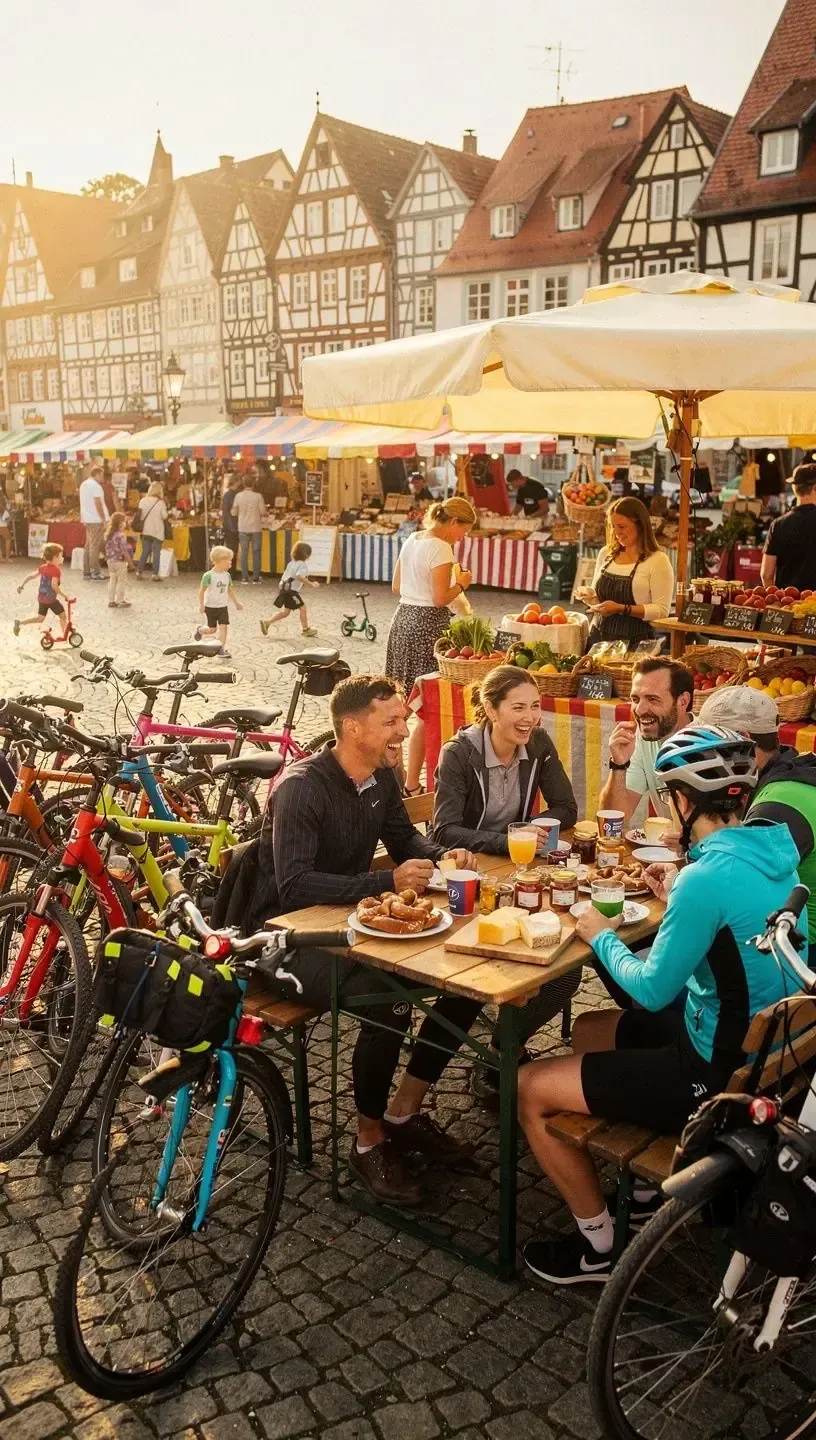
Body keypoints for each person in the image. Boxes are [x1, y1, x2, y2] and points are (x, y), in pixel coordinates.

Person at [518, 724, 802, 1285]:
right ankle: (644, 1193)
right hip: (756, 1055)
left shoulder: (704, 877)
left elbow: (650, 991)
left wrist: (597, 931)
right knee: (593, 1030)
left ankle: (599, 1248)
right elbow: (731, 936)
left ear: (684, 799)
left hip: (712, 1078)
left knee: (528, 1086)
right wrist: (676, 898)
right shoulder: (775, 856)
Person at [212, 674, 481, 1208]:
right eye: (392, 722)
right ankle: (368, 1141)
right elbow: (294, 887)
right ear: (352, 727)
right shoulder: (301, 787)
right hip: (281, 940)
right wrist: (387, 881)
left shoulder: (380, 778)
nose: (404, 733)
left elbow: (403, 838)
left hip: (352, 927)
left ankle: (402, 1114)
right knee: (390, 1002)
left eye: (403, 720)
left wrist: (439, 856)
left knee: (464, 982)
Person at [433, 663, 580, 1099]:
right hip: (462, 881)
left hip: (515, 875)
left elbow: (567, 807)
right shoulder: (459, 753)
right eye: (518, 707)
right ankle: (492, 1047)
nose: (530, 717)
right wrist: (511, 838)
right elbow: (443, 830)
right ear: (490, 709)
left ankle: (501, 1048)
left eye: (535, 706)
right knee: (508, 970)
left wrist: (535, 825)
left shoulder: (536, 744)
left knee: (565, 973)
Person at [699, 684, 816, 965]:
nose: (700, 753)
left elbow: (738, 888)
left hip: (799, 953)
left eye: (706, 742)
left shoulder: (780, 803)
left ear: (743, 740)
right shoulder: (792, 772)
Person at [386, 496, 476, 795]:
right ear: (453, 523)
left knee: (399, 707)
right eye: (463, 531)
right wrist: (462, 582)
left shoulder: (413, 538)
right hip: (427, 624)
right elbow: (440, 598)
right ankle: (411, 784)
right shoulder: (440, 546)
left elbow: (396, 585)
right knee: (426, 705)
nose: (463, 537)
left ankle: (394, 780)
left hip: (402, 619)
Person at [598, 656, 694, 825]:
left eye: (652, 699)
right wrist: (619, 765)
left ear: (683, 701)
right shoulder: (642, 740)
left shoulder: (709, 743)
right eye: (635, 699)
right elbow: (613, 817)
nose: (640, 709)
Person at [582, 496, 674, 649]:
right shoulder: (606, 553)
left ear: (640, 524)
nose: (616, 533)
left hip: (636, 644)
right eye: (612, 526)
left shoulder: (658, 561)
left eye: (622, 527)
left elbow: (661, 610)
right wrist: (590, 596)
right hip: (598, 640)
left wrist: (620, 608)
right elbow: (597, 597)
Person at [761, 461, 816, 593]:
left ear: (794, 488)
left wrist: (778, 601)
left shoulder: (778, 524)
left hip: (788, 606)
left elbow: (766, 575)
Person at [260, 541, 319, 638]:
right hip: (291, 592)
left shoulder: (291, 563)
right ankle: (306, 629)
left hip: (284, 589)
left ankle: (267, 622)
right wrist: (311, 584)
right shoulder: (302, 565)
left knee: (285, 612)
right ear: (307, 554)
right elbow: (299, 576)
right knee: (303, 608)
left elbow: (286, 575)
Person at [13, 542, 72, 639]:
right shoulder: (56, 570)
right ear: (55, 558)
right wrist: (64, 595)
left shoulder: (43, 567)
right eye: (61, 556)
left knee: (40, 618)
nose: (63, 558)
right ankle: (65, 635)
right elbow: (54, 586)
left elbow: (32, 576)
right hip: (51, 600)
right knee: (63, 616)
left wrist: (22, 585)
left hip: (42, 598)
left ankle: (19, 623)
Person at [195, 544, 243, 658]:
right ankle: (201, 630)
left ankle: (220, 649)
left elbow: (229, 590)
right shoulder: (208, 576)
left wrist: (237, 602)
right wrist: (201, 605)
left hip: (222, 607)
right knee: (212, 629)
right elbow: (201, 591)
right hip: (211, 607)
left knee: (223, 627)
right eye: (228, 561)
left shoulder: (227, 575)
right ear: (220, 561)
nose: (231, 563)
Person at [233, 476, 266, 584]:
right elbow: (262, 512)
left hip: (242, 527)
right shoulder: (258, 496)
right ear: (253, 484)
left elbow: (234, 512)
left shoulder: (238, 496)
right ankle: (256, 578)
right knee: (256, 552)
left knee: (244, 553)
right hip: (255, 527)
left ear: (243, 483)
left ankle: (244, 577)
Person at [79, 464, 109, 581]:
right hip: (96, 519)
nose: (103, 478)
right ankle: (95, 571)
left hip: (87, 518)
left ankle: (87, 571)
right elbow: (98, 503)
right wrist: (103, 519)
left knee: (88, 545)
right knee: (94, 546)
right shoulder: (96, 486)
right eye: (102, 475)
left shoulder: (83, 484)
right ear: (97, 474)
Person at [136, 481, 168, 582]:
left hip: (146, 530)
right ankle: (154, 574)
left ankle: (139, 572)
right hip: (157, 531)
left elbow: (140, 516)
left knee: (145, 551)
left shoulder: (143, 501)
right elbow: (165, 516)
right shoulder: (161, 503)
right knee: (156, 553)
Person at [104, 512, 131, 609]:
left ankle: (111, 600)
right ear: (120, 523)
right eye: (124, 521)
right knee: (121, 581)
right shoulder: (121, 535)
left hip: (110, 561)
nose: (125, 523)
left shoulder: (108, 534)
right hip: (120, 561)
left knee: (112, 580)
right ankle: (120, 600)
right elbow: (124, 550)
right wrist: (131, 563)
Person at [222, 475, 239, 553]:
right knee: (232, 549)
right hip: (231, 527)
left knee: (233, 549)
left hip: (234, 526)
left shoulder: (232, 494)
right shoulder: (228, 495)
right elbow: (225, 512)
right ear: (236, 482)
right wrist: (231, 526)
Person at [0, 493, 11, 561]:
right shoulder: (4, 510)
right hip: (3, 526)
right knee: (8, 540)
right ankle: (7, 557)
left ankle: (0, 557)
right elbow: (7, 520)